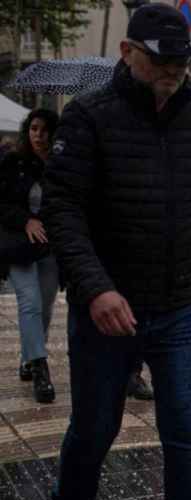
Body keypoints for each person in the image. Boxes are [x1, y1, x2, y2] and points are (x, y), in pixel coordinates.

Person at [40, 4, 191, 500]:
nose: (172, 71)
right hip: (105, 310)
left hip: (181, 307)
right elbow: (63, 212)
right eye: (160, 60)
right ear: (127, 52)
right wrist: (95, 291)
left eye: (181, 62)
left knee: (188, 436)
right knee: (95, 430)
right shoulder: (89, 117)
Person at [0, 108, 60, 403]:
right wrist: (25, 220)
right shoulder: (13, 162)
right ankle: (40, 368)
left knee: (46, 306)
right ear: (28, 131)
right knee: (30, 302)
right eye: (35, 129)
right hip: (18, 245)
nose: (39, 135)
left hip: (50, 245)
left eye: (45, 130)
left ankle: (28, 356)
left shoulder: (61, 165)